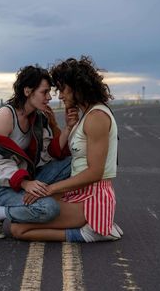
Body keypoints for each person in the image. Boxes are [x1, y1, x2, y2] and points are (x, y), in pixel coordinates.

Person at [8, 56, 123, 242]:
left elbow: (95, 172)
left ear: (77, 88)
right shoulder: (87, 115)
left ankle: (88, 233)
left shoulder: (97, 117)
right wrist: (66, 126)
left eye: (62, 89)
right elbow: (72, 156)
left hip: (91, 198)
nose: (59, 96)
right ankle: (93, 227)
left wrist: (51, 188)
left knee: (18, 228)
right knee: (23, 213)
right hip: (79, 192)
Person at [0, 65, 78, 238]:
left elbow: (49, 153)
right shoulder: (5, 116)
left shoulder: (38, 118)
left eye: (50, 93)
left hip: (27, 177)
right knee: (49, 208)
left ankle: (29, 205)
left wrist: (68, 129)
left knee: (74, 162)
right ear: (27, 91)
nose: (49, 98)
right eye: (44, 92)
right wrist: (25, 184)